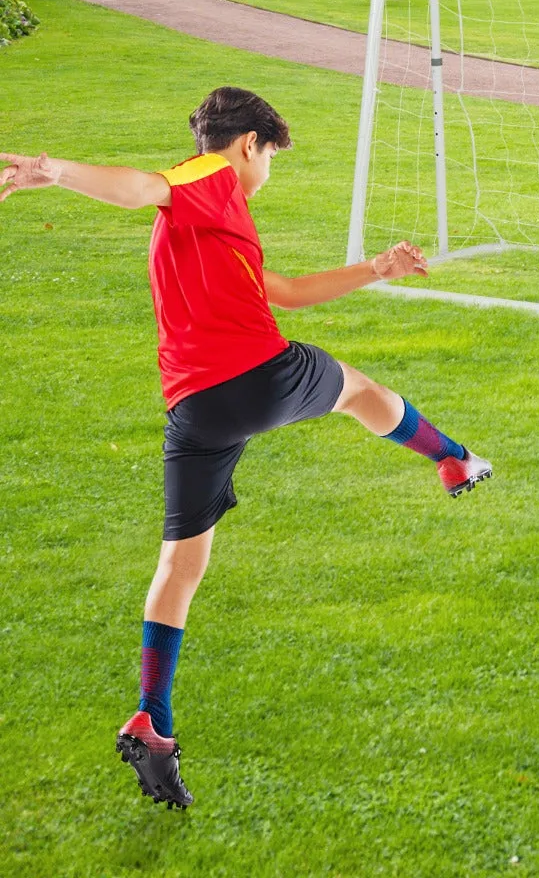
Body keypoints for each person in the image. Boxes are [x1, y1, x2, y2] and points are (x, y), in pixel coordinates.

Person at [0, 88, 491, 809]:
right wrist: (59, 169)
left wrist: (375, 268)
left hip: (195, 410)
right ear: (249, 145)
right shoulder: (208, 179)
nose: (267, 172)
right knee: (359, 391)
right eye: (271, 158)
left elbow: (283, 291)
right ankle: (452, 457)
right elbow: (144, 188)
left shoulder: (212, 222)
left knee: (180, 565)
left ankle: (152, 718)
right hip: (258, 378)